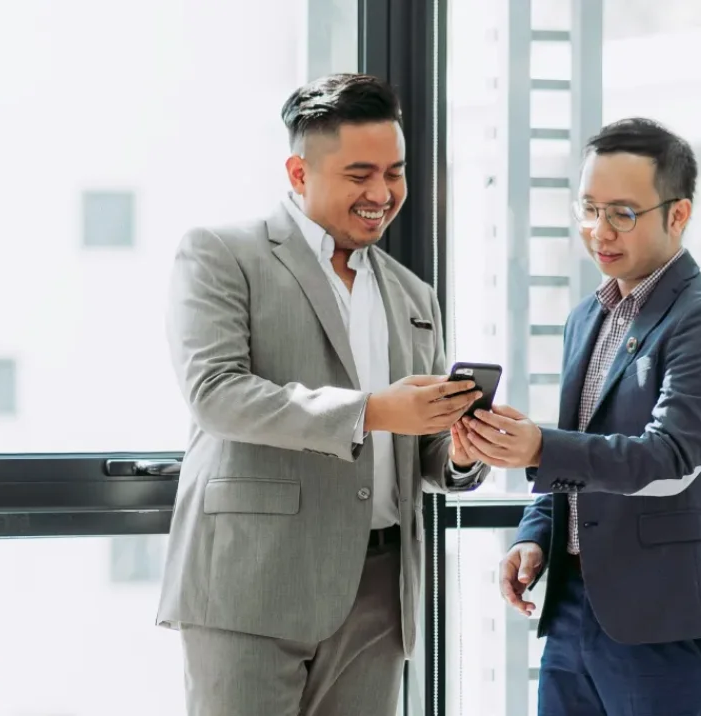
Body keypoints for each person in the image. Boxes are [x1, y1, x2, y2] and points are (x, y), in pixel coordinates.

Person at [156, 73, 489, 716]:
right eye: (359, 174)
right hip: (253, 582)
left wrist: (462, 449)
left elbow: (422, 453)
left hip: (381, 590)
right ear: (299, 172)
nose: (381, 194)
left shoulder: (414, 295)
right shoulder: (222, 254)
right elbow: (216, 393)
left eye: (394, 173)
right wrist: (374, 410)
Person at [454, 118, 701, 715]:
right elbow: (581, 453)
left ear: (678, 214)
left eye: (622, 213)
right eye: (588, 209)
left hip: (664, 619)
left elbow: (670, 458)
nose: (599, 231)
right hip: (572, 609)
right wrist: (535, 534)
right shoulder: (588, 317)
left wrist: (539, 448)